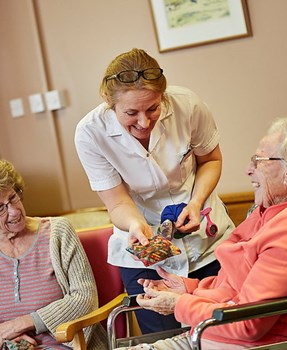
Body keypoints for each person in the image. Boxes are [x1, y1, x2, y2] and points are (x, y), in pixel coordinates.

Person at [125, 117, 287, 349]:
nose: (248, 170)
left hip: (258, 344)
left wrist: (178, 304)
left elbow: (247, 323)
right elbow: (235, 286)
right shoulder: (271, 213)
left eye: (259, 161)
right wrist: (189, 288)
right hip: (215, 337)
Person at [74, 48, 235, 334]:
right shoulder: (90, 133)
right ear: (108, 102)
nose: (144, 122)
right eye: (131, 113)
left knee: (223, 333)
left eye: (153, 108)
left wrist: (196, 202)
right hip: (143, 254)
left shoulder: (187, 105)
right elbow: (117, 202)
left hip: (208, 241)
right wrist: (135, 224)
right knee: (165, 339)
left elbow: (211, 160)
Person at [0, 159, 107, 349]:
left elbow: (84, 298)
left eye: (13, 197)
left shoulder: (57, 232)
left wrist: (20, 324)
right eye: (1, 208)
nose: (15, 211)